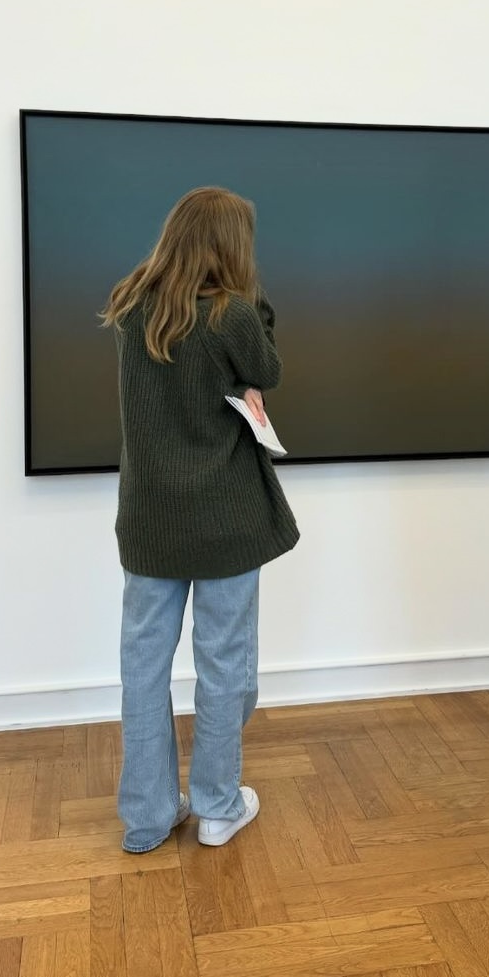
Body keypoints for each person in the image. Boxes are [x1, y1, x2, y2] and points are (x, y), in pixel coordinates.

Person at [101, 186, 299, 853]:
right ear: (229, 244)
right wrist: (253, 301)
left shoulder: (132, 305)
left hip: (149, 521)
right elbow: (267, 367)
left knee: (143, 667)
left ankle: (147, 817)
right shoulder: (233, 313)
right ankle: (217, 807)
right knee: (224, 663)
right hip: (226, 521)